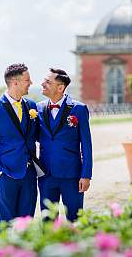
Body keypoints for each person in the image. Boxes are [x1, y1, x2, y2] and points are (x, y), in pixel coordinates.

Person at [0, 63, 39, 226]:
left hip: (29, 173)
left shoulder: (31, 106)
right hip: (7, 174)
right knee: (6, 222)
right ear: (15, 82)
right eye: (27, 80)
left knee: (27, 222)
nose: (31, 83)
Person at [37, 68, 93, 221]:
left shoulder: (79, 109)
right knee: (48, 221)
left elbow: (86, 145)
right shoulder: (38, 108)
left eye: (48, 82)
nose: (42, 83)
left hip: (72, 176)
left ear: (60, 87)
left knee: (75, 220)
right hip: (46, 175)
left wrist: (86, 175)